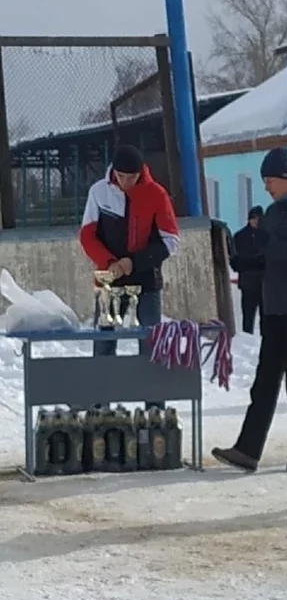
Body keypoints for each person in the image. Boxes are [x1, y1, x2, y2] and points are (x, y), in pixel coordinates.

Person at [212, 147, 287, 473]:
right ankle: (248, 449)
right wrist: (241, 260)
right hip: (276, 307)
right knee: (265, 380)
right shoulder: (274, 213)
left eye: (269, 180)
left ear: (285, 178)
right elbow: (269, 257)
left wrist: (277, 248)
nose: (266, 187)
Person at [79, 144, 180, 409]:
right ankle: (99, 410)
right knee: (104, 344)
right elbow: (87, 235)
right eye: (121, 176)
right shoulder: (98, 192)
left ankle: (155, 411)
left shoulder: (157, 194)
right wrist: (111, 263)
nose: (125, 182)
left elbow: (170, 242)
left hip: (146, 282)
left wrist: (132, 263)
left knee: (149, 345)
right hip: (109, 281)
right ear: (113, 172)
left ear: (141, 173)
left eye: (131, 177)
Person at [232, 205, 269, 335]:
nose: (256, 221)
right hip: (248, 284)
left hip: (265, 284)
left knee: (267, 319)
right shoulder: (240, 237)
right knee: (248, 318)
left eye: (259, 219)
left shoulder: (268, 236)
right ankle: (247, 342)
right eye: (254, 219)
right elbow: (235, 261)